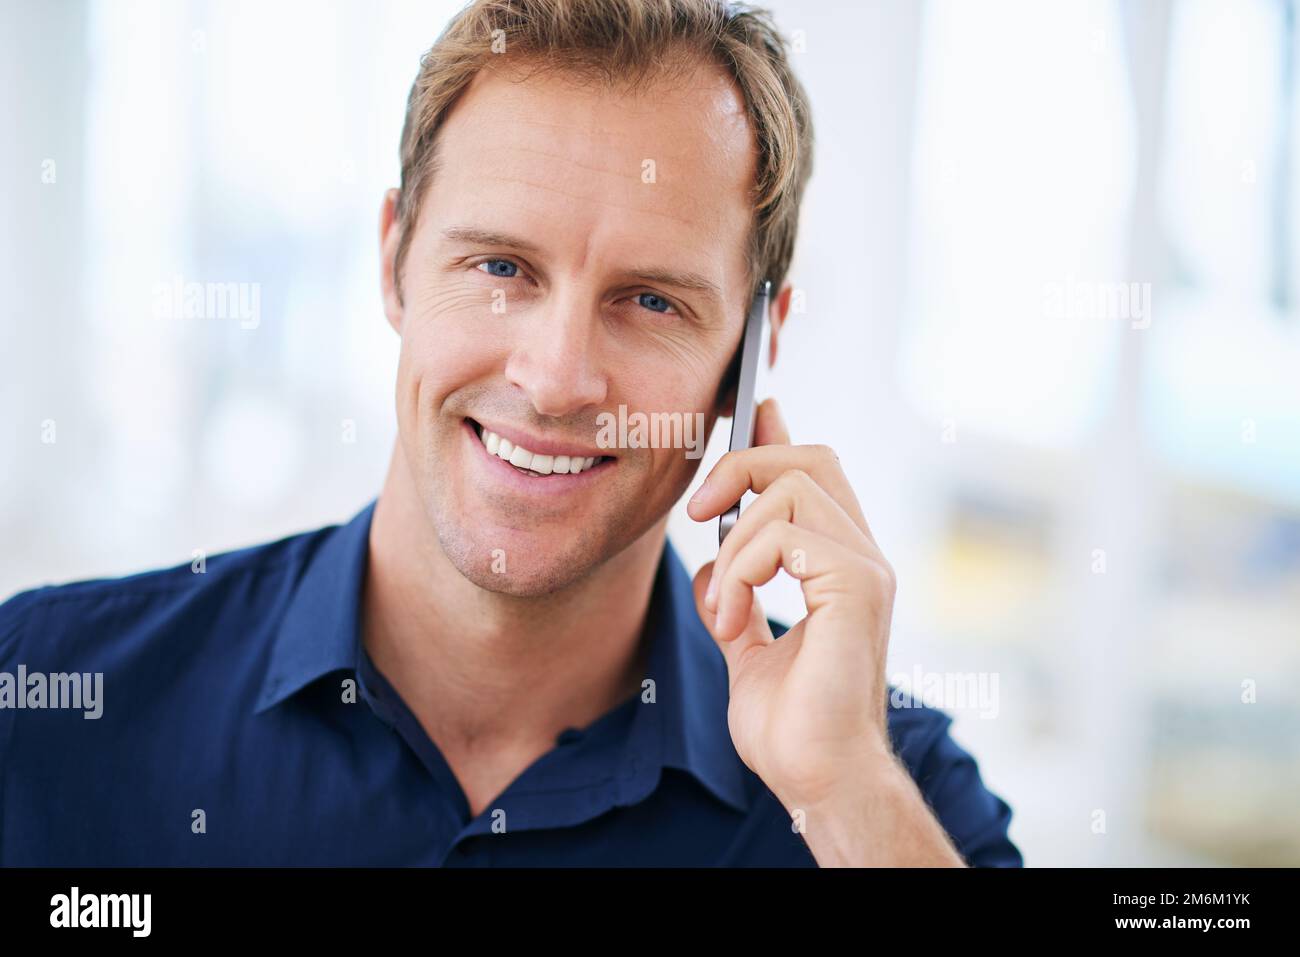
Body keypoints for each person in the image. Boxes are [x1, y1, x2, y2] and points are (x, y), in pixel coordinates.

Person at [0, 0, 1021, 866]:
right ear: (395, 259)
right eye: (500, 269)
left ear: (753, 353)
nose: (556, 378)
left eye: (651, 301)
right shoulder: (47, 694)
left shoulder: (890, 789)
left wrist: (844, 802)